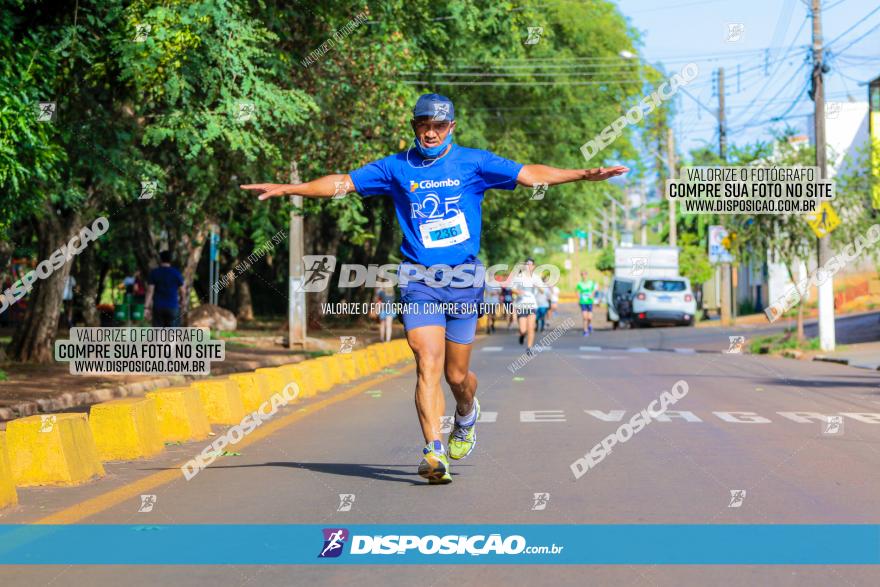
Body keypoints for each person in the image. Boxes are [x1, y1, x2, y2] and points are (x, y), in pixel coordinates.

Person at [241, 93, 627, 484]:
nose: (430, 132)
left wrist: (581, 174)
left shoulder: (474, 163)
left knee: (457, 377)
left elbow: (530, 175)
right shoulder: (396, 167)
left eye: (438, 125)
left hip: (462, 281)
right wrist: (293, 188)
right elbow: (343, 183)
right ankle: (434, 450)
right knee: (427, 362)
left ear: (451, 128)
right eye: (423, 124)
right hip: (418, 279)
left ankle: (466, 413)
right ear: (415, 127)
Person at [145, 251, 185, 327]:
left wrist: (146, 307)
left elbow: (150, 291)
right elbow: (183, 290)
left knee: (158, 335)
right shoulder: (176, 273)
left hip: (158, 307)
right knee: (172, 335)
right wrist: (183, 301)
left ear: (160, 259)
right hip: (173, 307)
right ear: (171, 260)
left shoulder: (154, 273)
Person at [511, 258, 543, 354]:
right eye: (526, 264)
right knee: (523, 329)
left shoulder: (536, 278)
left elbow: (542, 290)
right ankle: (522, 335)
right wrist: (518, 291)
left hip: (532, 305)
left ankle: (529, 347)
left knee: (531, 327)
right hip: (521, 305)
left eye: (530, 264)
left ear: (533, 266)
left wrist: (537, 285)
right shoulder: (519, 277)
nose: (528, 266)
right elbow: (512, 289)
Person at [576, 270, 598, 336]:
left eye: (585, 274)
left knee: (589, 318)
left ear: (587, 275)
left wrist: (592, 295)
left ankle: (589, 325)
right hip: (583, 302)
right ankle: (585, 331)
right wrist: (579, 299)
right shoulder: (579, 284)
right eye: (582, 275)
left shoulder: (590, 283)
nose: (584, 276)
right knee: (585, 317)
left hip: (590, 301)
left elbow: (594, 290)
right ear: (581, 276)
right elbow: (577, 292)